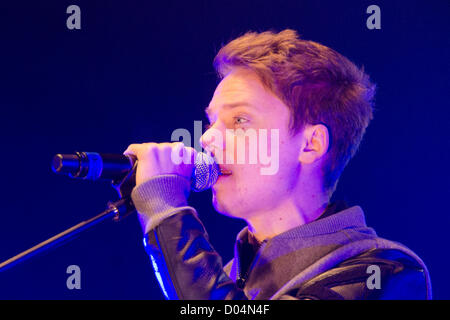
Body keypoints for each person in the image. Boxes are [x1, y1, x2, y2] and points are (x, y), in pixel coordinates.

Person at [124, 29, 431, 300]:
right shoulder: (225, 280)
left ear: (311, 145)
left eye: (240, 120)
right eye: (211, 122)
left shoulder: (386, 273)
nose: (207, 139)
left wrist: (166, 212)